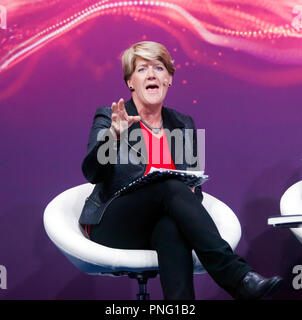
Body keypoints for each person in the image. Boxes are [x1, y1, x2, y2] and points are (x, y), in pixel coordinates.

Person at [79, 41, 282, 300]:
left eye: (158, 68)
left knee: (171, 228)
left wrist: (191, 190)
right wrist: (113, 138)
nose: (151, 74)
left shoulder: (183, 124)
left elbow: (193, 190)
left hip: (160, 221)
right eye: (142, 69)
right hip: (114, 222)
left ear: (169, 78)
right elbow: (92, 173)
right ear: (130, 82)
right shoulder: (110, 117)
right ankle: (237, 277)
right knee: (168, 184)